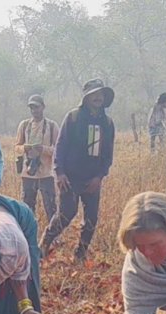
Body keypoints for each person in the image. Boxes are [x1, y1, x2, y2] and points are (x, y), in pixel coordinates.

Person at [41, 79, 116, 263]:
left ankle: (80, 253)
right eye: (94, 94)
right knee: (66, 214)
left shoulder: (107, 122)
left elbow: (108, 154)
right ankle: (45, 242)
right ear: (86, 97)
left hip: (93, 179)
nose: (98, 97)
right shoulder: (73, 117)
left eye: (101, 94)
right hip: (70, 177)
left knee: (91, 219)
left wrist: (99, 177)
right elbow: (61, 146)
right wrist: (60, 172)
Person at [14, 94, 59, 220]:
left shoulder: (51, 125)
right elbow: (16, 147)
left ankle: (53, 235)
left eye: (37, 107)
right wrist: (25, 148)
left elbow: (59, 150)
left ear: (43, 107)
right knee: (27, 208)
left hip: (46, 173)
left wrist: (43, 149)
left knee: (51, 206)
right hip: (28, 173)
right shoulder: (24, 125)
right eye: (32, 108)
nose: (34, 110)